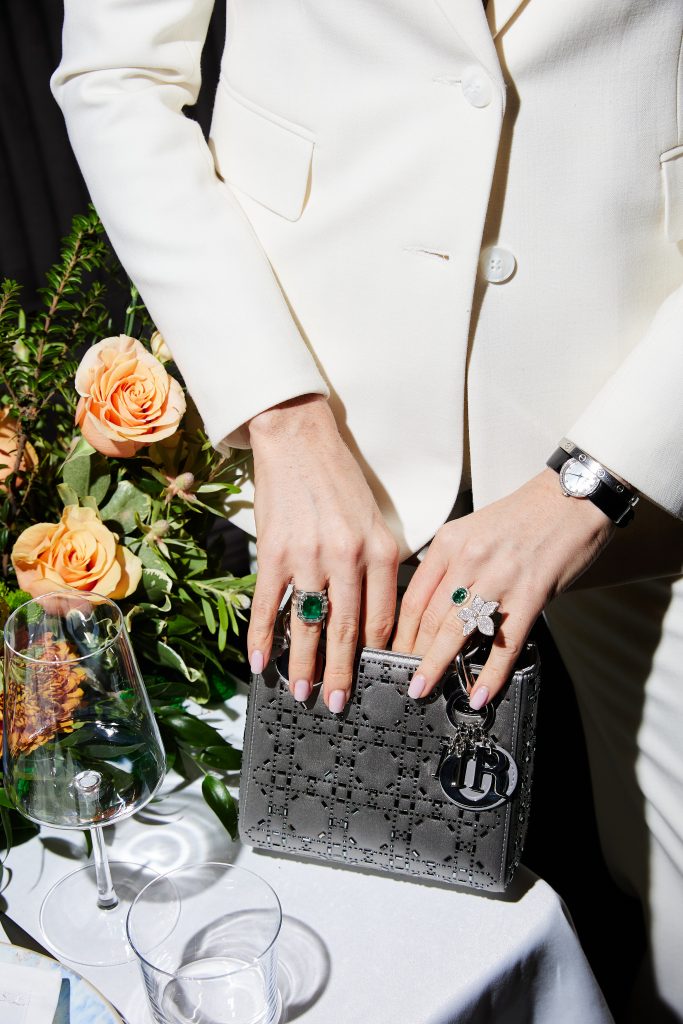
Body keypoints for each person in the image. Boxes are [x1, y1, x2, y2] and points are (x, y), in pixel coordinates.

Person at [50, 0, 682, 1017]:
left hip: (644, 405)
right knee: (300, 905)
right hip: (317, 420)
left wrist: (602, 475)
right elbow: (117, 74)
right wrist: (281, 413)